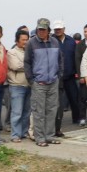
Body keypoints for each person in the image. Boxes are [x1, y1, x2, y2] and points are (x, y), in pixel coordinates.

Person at [24, 18, 63, 147]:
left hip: (53, 81)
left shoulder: (55, 42)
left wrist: (59, 75)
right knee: (38, 111)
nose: (41, 31)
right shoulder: (31, 43)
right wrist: (31, 79)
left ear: (48, 30)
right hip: (38, 83)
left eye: (43, 29)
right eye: (39, 29)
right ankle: (39, 137)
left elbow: (60, 60)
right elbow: (27, 62)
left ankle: (49, 135)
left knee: (52, 110)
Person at [52, 19, 80, 135]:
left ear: (64, 29)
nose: (58, 31)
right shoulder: (51, 40)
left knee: (74, 97)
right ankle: (56, 122)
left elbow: (76, 57)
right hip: (57, 75)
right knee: (57, 101)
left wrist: (77, 72)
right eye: (56, 29)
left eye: (60, 28)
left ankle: (77, 118)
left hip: (70, 74)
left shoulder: (71, 41)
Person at [7, 30, 31, 142]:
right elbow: (15, 66)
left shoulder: (30, 51)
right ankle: (15, 134)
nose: (25, 42)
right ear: (17, 41)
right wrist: (29, 65)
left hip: (29, 85)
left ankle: (24, 132)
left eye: (27, 39)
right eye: (23, 40)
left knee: (27, 112)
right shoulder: (11, 52)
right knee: (17, 111)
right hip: (17, 85)